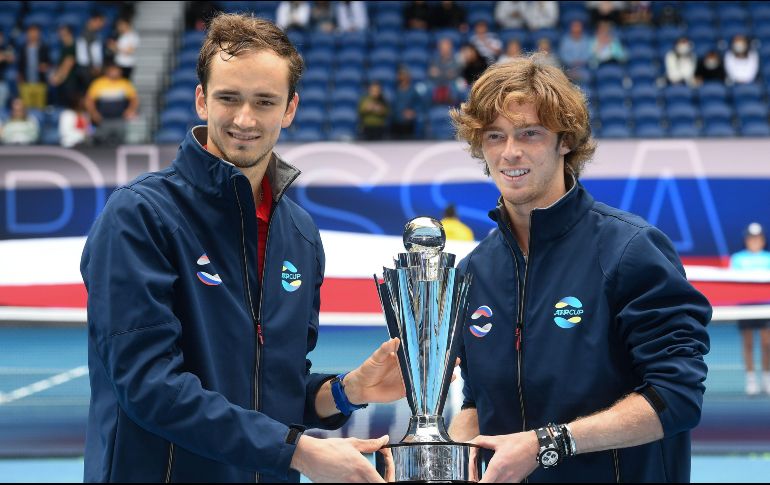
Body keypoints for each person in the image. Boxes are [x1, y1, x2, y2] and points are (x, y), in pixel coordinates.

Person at [81, 13, 405, 483]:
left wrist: (347, 390)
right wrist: (301, 453)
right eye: (228, 98)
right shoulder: (139, 216)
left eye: (264, 101)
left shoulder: (300, 234)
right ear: (201, 100)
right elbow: (149, 387)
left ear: (290, 109)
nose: (245, 119)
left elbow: (272, 393)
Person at [447, 54, 711, 482]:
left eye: (529, 133)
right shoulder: (475, 271)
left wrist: (549, 443)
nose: (509, 152)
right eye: (495, 136)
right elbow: (479, 400)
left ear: (564, 140)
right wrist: (448, 454)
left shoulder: (630, 250)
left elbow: (675, 396)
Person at [729, 222, 770, 396]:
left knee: (767, 343)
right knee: (748, 343)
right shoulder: (737, 259)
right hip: (745, 307)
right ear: (746, 240)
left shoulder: (768, 258)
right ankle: (751, 379)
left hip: (765, 307)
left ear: (762, 240)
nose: (754, 241)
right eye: (751, 238)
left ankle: (767, 378)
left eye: (757, 238)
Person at [84, 62, 139, 145]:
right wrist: (93, 113)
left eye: (117, 71)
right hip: (103, 120)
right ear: (108, 71)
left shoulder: (125, 84)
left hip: (119, 119)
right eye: (113, 70)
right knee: (100, 142)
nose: (116, 72)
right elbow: (89, 100)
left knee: (120, 142)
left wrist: (130, 110)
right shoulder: (99, 83)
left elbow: (134, 99)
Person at [16, 24, 50, 109]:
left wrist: (45, 66)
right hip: (26, 84)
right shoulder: (23, 48)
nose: (33, 35)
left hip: (40, 83)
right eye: (31, 32)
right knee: (27, 108)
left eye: (35, 32)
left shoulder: (44, 48)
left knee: (40, 108)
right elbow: (20, 65)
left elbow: (49, 63)